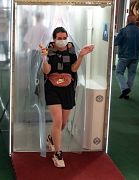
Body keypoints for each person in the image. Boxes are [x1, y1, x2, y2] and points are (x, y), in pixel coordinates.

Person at [40, 27, 94, 168]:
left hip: (68, 88)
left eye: (65, 38)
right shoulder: (49, 50)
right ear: (54, 38)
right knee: (57, 121)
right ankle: (58, 153)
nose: (62, 40)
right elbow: (46, 71)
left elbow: (74, 69)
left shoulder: (71, 50)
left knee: (63, 123)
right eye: (59, 38)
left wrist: (81, 55)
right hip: (52, 87)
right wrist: (44, 58)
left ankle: (51, 138)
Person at [114, 15, 139, 99]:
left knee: (119, 72)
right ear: (135, 21)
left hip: (124, 56)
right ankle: (126, 93)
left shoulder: (123, 31)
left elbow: (116, 42)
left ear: (127, 21)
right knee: (132, 74)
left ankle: (125, 89)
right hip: (135, 57)